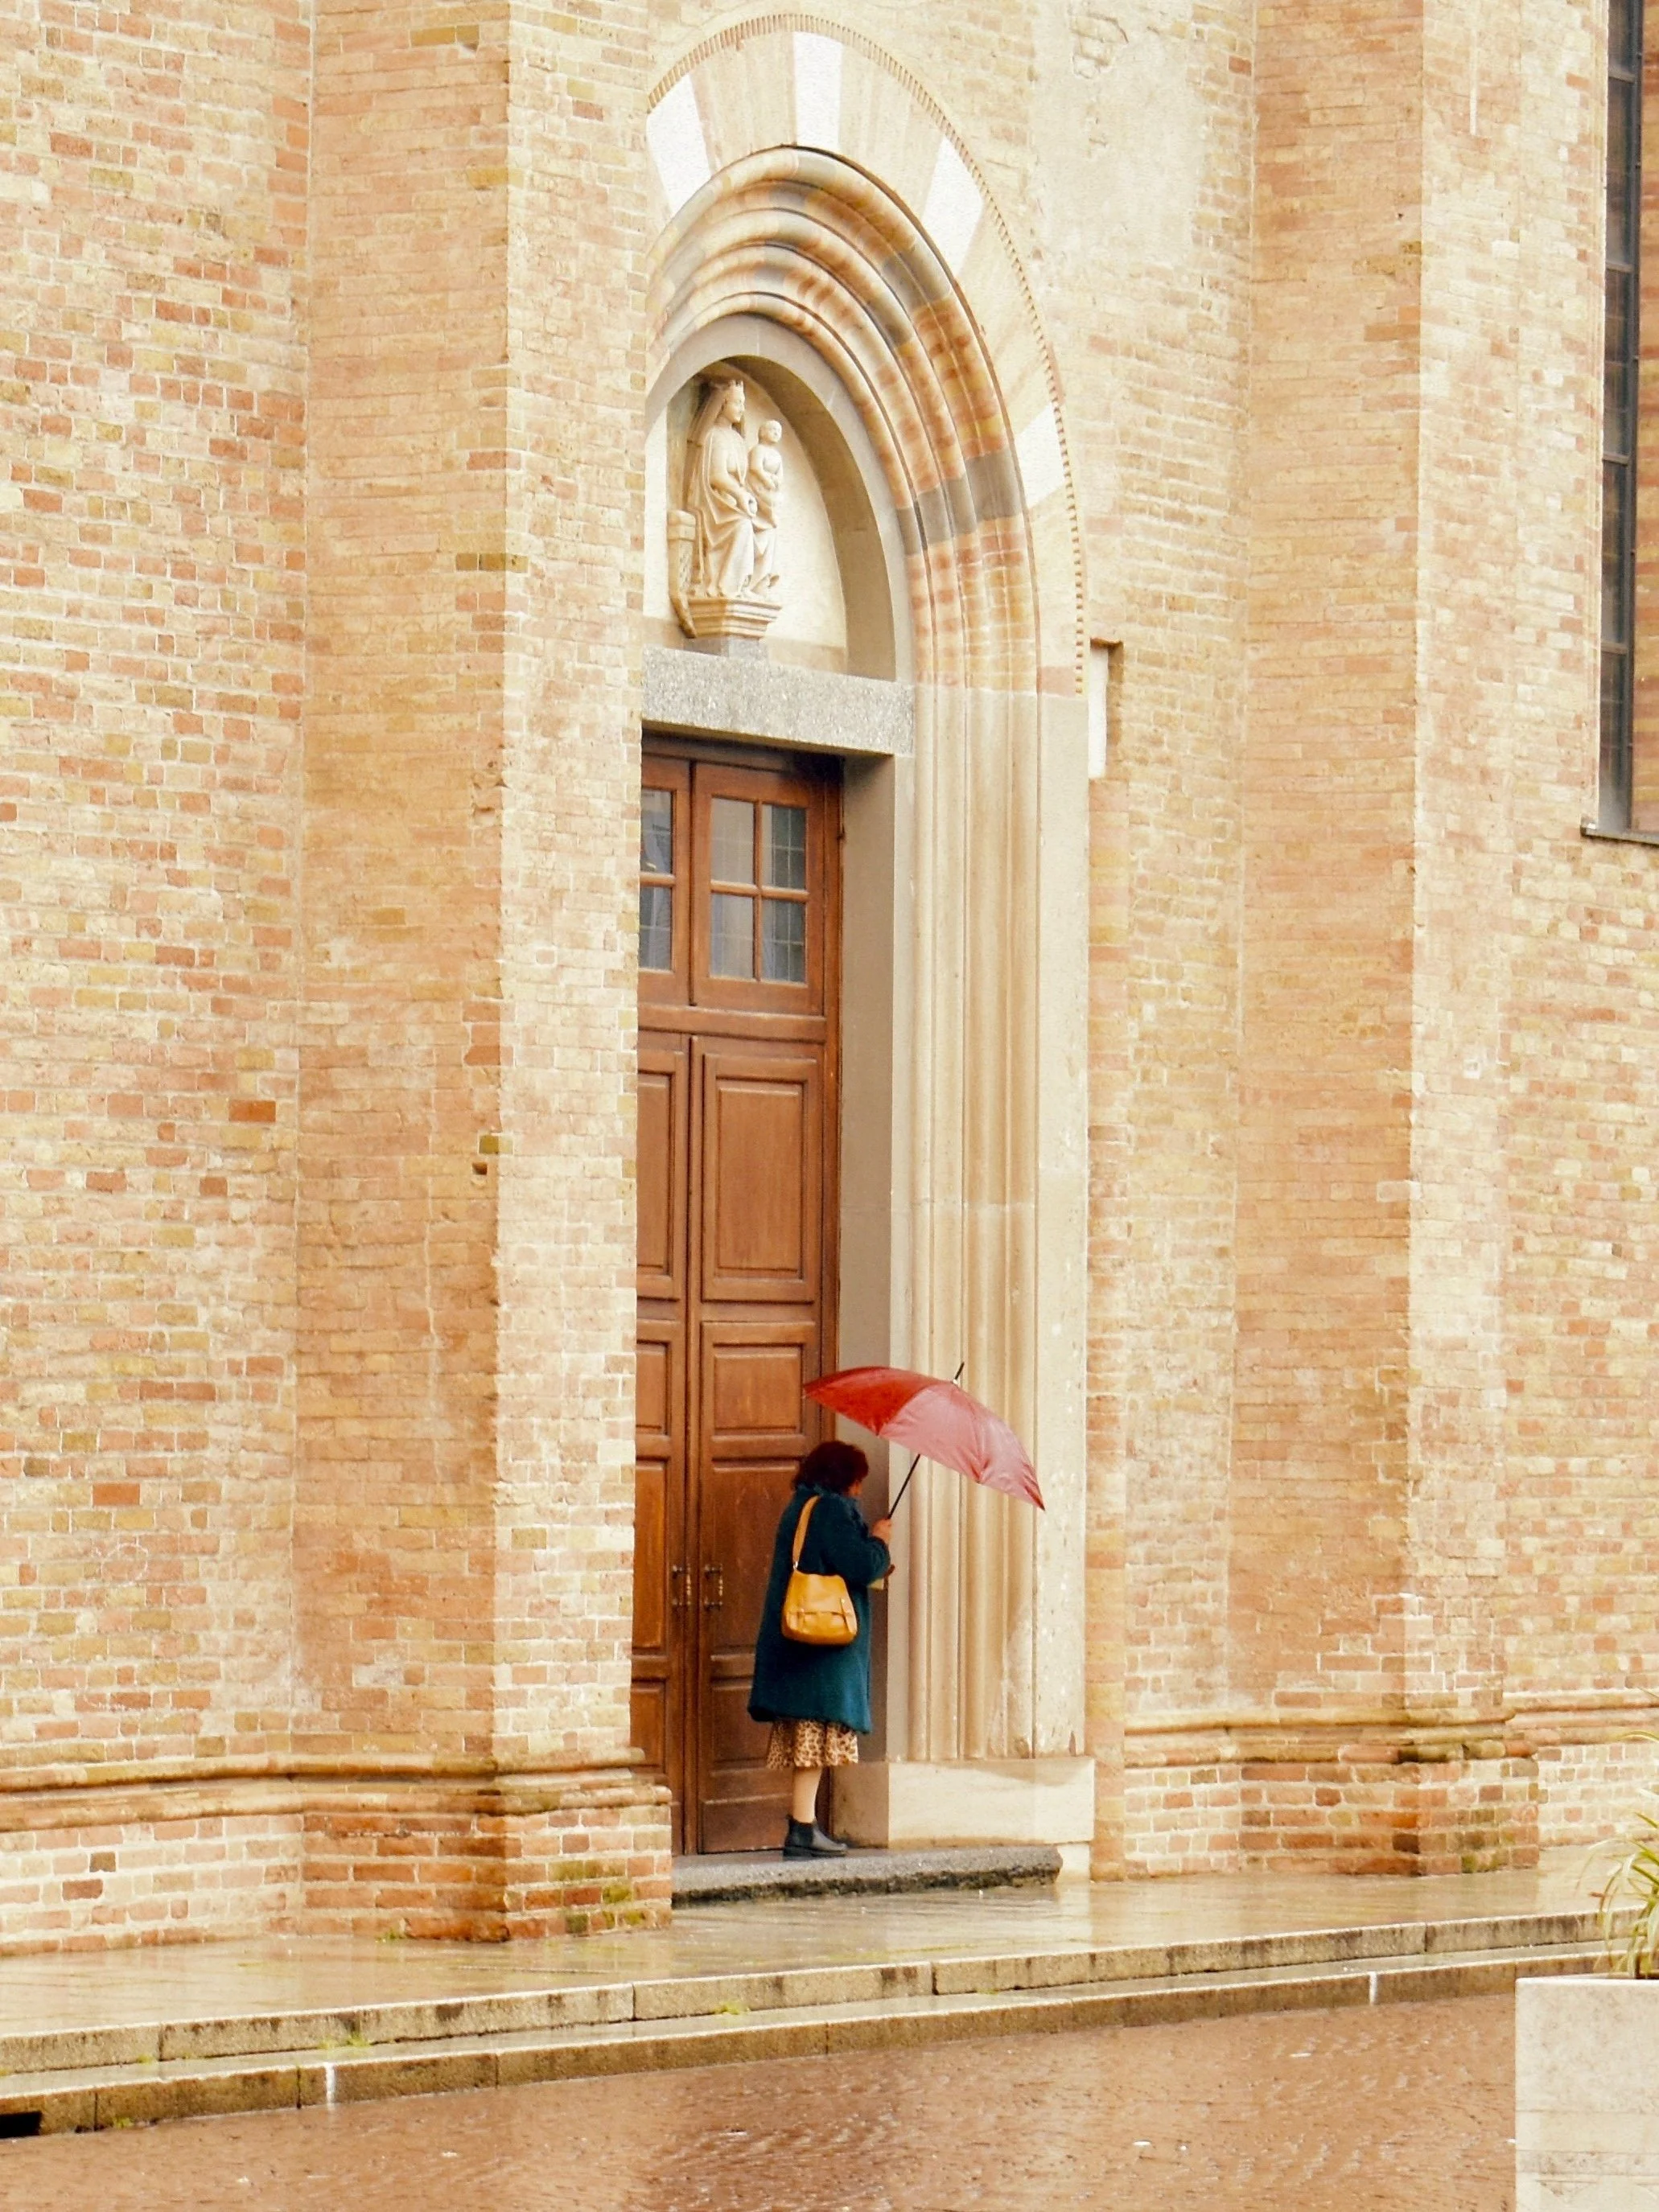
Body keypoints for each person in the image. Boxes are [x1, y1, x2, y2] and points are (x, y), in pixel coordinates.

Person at [749, 1439, 893, 1859]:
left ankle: (805, 1821)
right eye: (857, 1481)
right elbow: (859, 1564)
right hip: (821, 1649)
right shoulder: (831, 1511)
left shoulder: (801, 1507)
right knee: (815, 1737)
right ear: (842, 1478)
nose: (860, 1491)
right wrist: (880, 1542)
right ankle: (802, 1828)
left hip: (798, 1647)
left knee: (808, 1738)